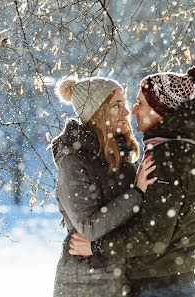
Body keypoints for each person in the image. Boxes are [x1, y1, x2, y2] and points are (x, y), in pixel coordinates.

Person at [69, 66, 195, 297]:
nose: (133, 110)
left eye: (140, 103)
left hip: (159, 287)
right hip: (174, 281)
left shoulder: (168, 157)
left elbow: (154, 236)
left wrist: (96, 247)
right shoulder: (190, 150)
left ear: (160, 110)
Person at [51, 76, 157, 297]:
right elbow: (89, 227)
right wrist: (136, 193)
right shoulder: (73, 161)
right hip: (85, 284)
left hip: (123, 280)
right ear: (96, 112)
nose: (126, 112)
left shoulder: (122, 155)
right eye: (117, 106)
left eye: (124, 104)